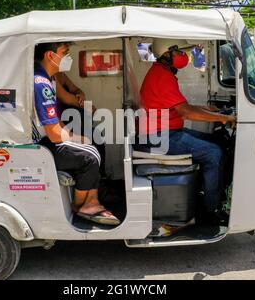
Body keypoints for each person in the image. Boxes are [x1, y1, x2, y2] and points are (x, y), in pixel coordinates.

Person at [139, 39, 236, 225]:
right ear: (166, 54)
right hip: (161, 137)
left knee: (218, 141)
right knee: (213, 153)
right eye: (177, 51)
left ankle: (209, 193)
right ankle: (210, 211)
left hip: (167, 132)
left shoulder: (162, 73)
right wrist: (225, 118)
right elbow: (186, 112)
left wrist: (209, 110)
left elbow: (181, 107)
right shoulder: (162, 76)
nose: (182, 56)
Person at [32, 42, 120, 225]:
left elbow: (56, 122)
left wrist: (76, 137)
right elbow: (55, 134)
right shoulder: (41, 83)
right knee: (89, 156)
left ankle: (92, 200)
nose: (67, 58)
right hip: (40, 145)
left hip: (46, 138)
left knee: (92, 145)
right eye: (64, 53)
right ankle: (81, 205)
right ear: (50, 55)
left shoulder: (46, 78)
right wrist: (78, 139)